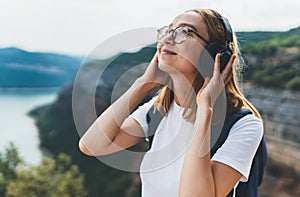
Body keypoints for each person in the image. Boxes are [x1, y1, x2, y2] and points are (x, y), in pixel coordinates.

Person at [78, 8, 263, 197]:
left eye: (185, 32)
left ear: (215, 54)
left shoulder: (244, 125)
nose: (167, 39)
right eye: (167, 31)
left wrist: (203, 113)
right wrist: (142, 85)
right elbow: (91, 145)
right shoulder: (157, 110)